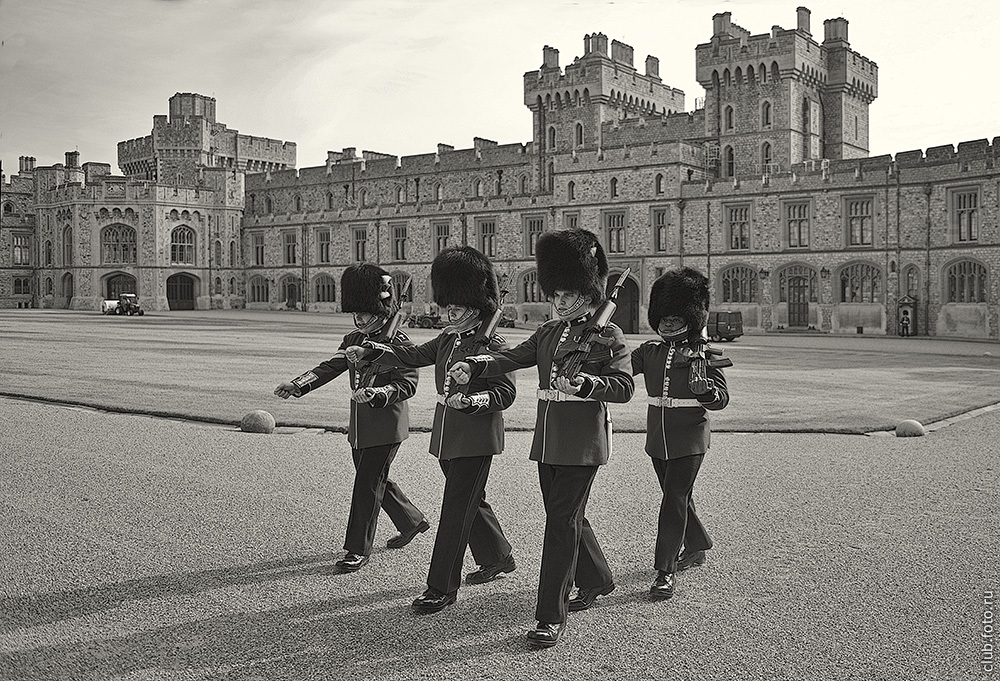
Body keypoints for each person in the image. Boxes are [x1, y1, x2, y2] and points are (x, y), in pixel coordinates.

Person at [448, 229, 634, 648]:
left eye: (569, 294)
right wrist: (475, 365)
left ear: (589, 291)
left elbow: (623, 387)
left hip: (583, 443)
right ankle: (599, 578)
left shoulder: (609, 336)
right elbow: (512, 356)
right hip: (547, 442)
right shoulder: (551, 333)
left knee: (560, 524)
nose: (561, 302)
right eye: (557, 295)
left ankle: (551, 615)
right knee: (566, 517)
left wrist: (586, 384)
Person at [346, 246, 517, 614]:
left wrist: (475, 401)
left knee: (455, 509)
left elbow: (506, 393)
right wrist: (372, 353)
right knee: (472, 500)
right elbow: (412, 356)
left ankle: (441, 586)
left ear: (475, 306)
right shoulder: (449, 339)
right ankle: (498, 556)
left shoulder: (494, 345)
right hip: (448, 433)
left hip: (476, 437)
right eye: (448, 307)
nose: (449, 313)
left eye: (455, 308)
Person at [274, 264, 428, 572]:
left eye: (365, 313)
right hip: (360, 425)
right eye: (355, 313)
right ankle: (412, 521)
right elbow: (330, 366)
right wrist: (298, 384)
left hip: (386, 424)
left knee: (366, 486)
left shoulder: (399, 343)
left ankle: (358, 549)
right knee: (373, 480)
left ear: (380, 310)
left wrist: (378, 394)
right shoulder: (352, 339)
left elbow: (407, 384)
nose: (359, 318)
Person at [631, 267, 730, 600]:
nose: (667, 324)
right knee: (680, 498)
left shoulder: (703, 354)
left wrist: (705, 393)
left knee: (672, 500)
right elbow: (620, 367)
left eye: (675, 318)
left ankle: (665, 569)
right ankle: (698, 544)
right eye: (663, 318)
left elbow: (721, 399)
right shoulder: (649, 351)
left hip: (690, 439)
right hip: (657, 440)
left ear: (690, 318)